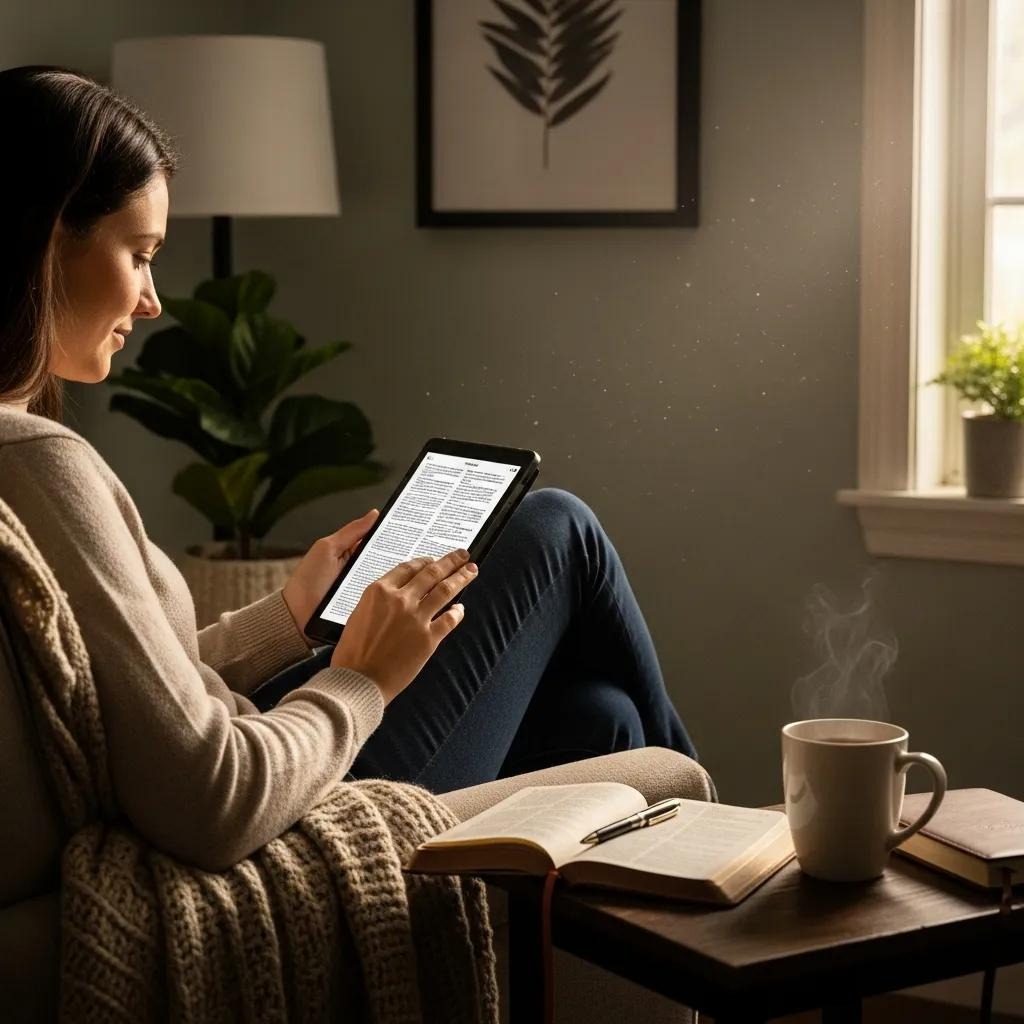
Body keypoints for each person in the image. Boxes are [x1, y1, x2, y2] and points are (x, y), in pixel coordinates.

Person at [0, 63, 698, 873]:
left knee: (600, 721)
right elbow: (210, 797)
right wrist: (362, 678)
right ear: (51, 241)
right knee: (558, 527)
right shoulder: (41, 463)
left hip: (250, 749)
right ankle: (752, 872)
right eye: (140, 253)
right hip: (275, 812)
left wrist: (287, 619)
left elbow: (123, 701)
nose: (153, 300)